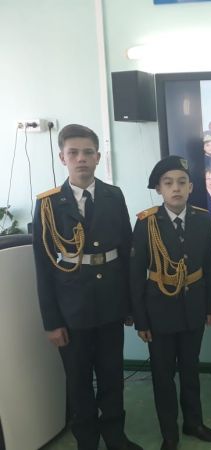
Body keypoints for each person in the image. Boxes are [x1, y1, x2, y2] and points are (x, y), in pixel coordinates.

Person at [32, 124, 142, 450]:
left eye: (88, 152)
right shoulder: (49, 204)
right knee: (78, 379)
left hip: (110, 303)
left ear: (98, 157)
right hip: (72, 308)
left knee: (112, 375)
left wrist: (129, 306)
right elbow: (43, 266)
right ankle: (87, 441)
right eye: (74, 153)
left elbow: (126, 251)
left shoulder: (113, 195)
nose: (81, 158)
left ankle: (115, 437)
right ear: (62, 157)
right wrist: (52, 321)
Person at [131, 156, 211, 450]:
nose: (176, 188)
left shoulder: (203, 219)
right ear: (159, 189)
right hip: (159, 310)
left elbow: (209, 266)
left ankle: (193, 422)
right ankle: (169, 433)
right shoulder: (146, 223)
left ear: (191, 187)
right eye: (168, 183)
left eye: (182, 182)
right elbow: (135, 275)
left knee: (191, 369)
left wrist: (209, 306)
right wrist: (141, 319)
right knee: (163, 375)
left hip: (194, 307)